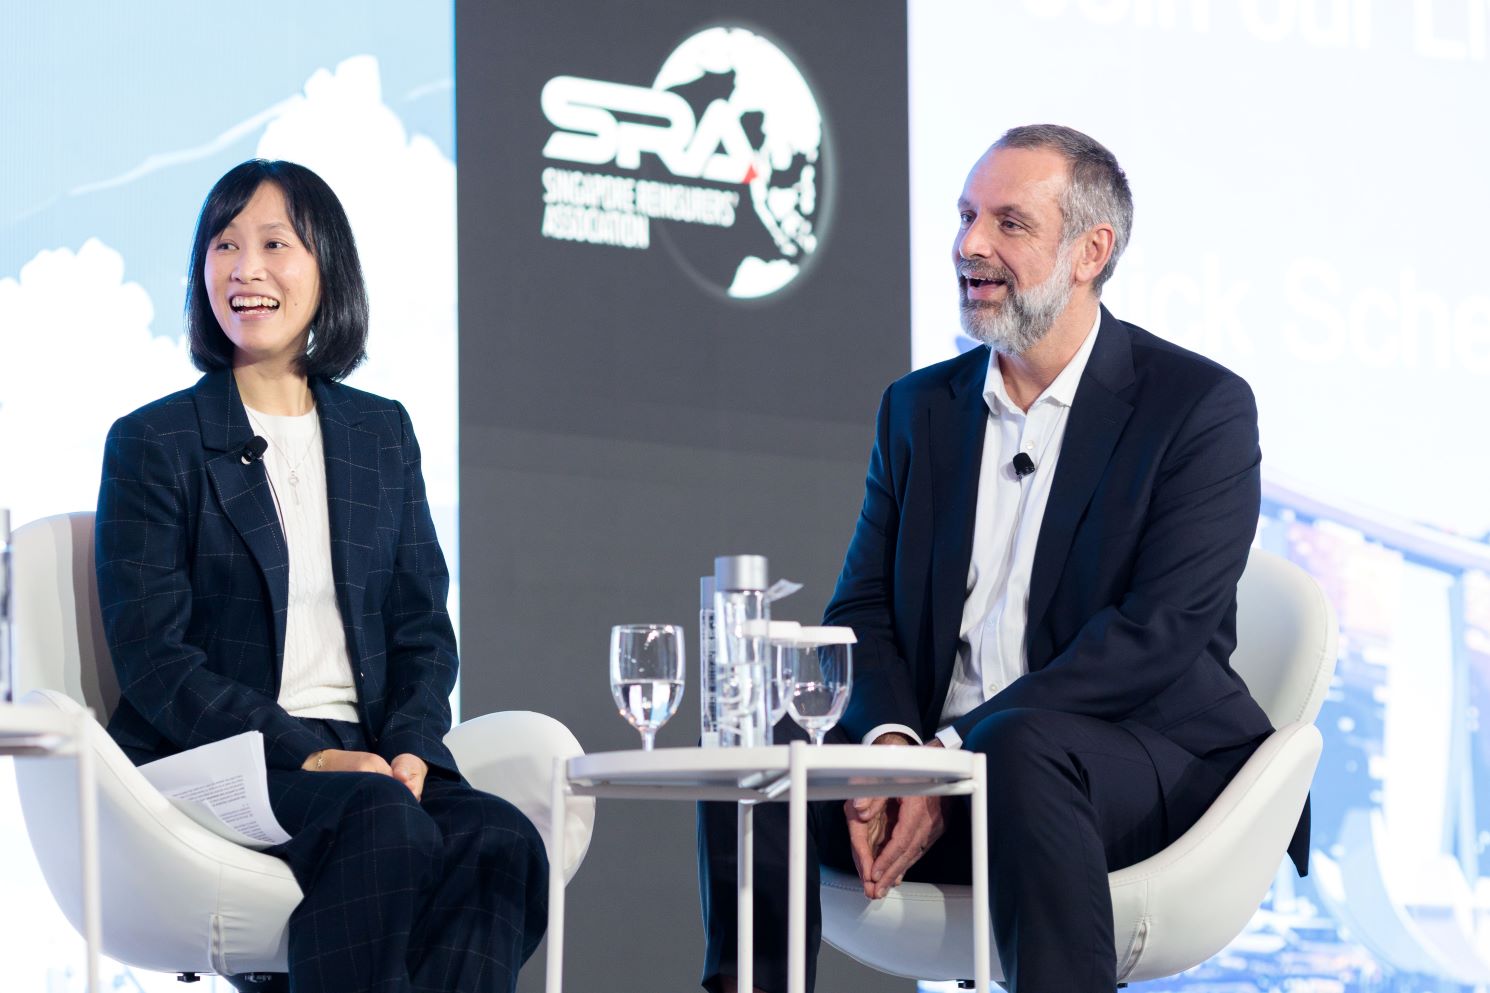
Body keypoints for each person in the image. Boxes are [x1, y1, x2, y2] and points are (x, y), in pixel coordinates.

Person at [698, 124, 1306, 993]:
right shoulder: (918, 410)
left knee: (1019, 748)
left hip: (1135, 766)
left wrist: (949, 754)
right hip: (939, 768)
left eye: (1008, 222)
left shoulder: (1196, 407)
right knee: (762, 745)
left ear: (1091, 251)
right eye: (965, 216)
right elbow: (863, 611)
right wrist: (895, 746)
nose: (969, 245)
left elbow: (1157, 636)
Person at [95, 159, 548, 993]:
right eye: (224, 245)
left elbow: (422, 628)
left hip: (373, 756)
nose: (246, 269)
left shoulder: (381, 433)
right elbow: (154, 658)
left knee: (501, 840)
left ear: (326, 266)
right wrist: (308, 755)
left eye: (275, 244)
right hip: (228, 756)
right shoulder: (153, 441)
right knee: (381, 824)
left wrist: (411, 747)